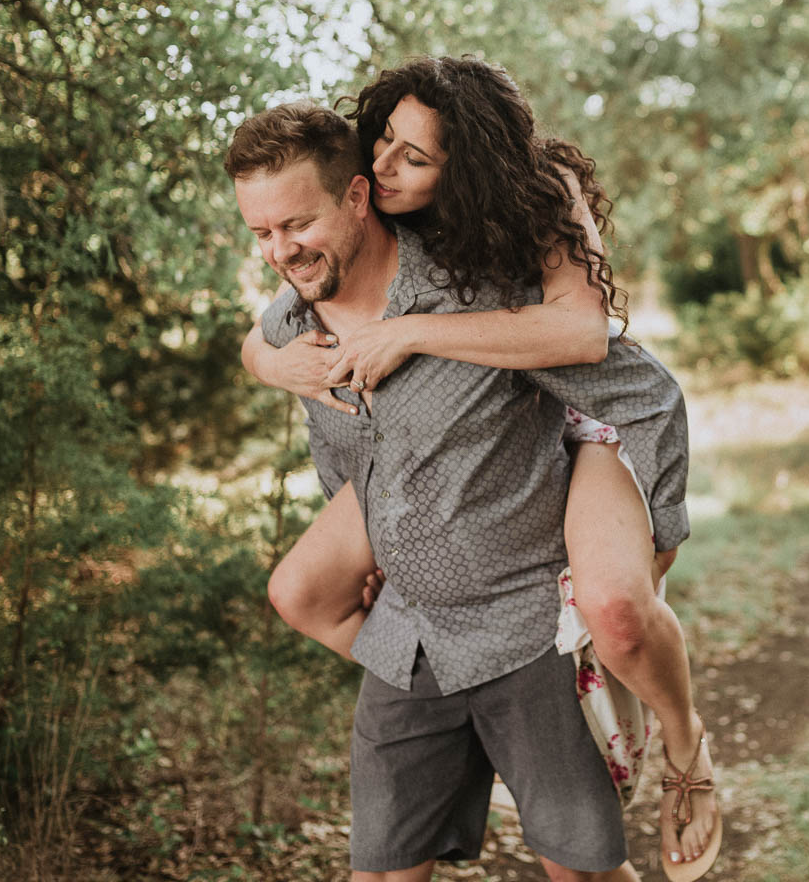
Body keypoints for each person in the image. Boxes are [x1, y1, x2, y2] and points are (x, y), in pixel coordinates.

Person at [241, 58, 719, 878]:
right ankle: (456, 698)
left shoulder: (502, 255)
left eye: (414, 158)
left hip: (551, 534)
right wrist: (267, 362)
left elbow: (600, 354)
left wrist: (659, 533)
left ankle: (686, 750)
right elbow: (275, 342)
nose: (387, 166)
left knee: (615, 616)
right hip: (416, 638)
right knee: (297, 592)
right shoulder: (304, 302)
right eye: (383, 145)